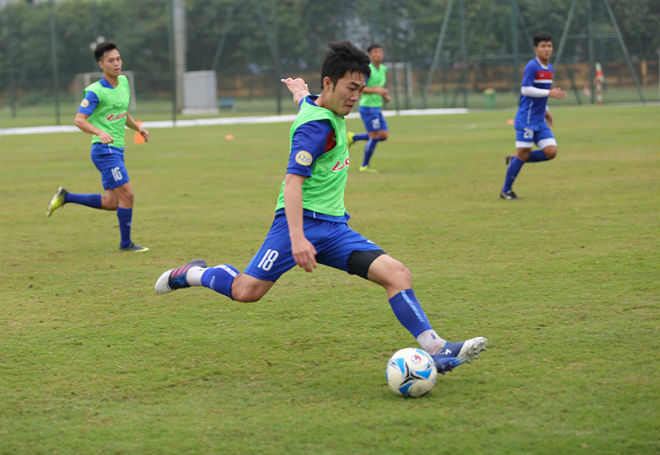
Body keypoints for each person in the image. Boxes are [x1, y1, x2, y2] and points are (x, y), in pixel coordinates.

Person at [154, 41, 487, 374]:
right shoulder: (317, 128)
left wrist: (299, 91)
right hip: (295, 226)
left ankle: (438, 349)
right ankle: (192, 273)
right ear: (329, 84)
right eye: (350, 88)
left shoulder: (323, 105)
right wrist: (299, 239)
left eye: (360, 88)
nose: (356, 96)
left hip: (335, 230)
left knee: (397, 275)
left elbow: (306, 103)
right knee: (246, 291)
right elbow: (292, 183)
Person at [47, 42, 150, 252]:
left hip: (117, 150)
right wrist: (99, 132)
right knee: (128, 195)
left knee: (113, 202)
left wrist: (138, 129)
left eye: (118, 59)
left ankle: (67, 196)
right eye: (111, 60)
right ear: (101, 64)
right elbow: (79, 120)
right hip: (105, 152)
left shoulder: (123, 82)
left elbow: (123, 113)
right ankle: (126, 244)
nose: (116, 63)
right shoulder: (94, 91)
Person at [500, 32, 567, 200]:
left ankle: (514, 160)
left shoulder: (549, 68)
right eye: (543, 46)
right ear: (536, 49)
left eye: (549, 46)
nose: (547, 49)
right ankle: (506, 190)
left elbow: (541, 93)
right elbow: (526, 89)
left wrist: (547, 109)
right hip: (526, 120)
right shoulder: (532, 66)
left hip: (539, 120)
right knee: (524, 152)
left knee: (551, 152)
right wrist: (550, 93)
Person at [348, 44, 390, 173]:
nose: (378, 54)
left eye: (380, 52)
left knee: (383, 135)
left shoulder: (383, 69)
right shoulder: (367, 69)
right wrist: (378, 92)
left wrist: (384, 96)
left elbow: (379, 87)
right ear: (370, 55)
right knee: (375, 135)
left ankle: (353, 138)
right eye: (375, 52)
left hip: (376, 107)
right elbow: (362, 88)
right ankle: (364, 165)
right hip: (368, 108)